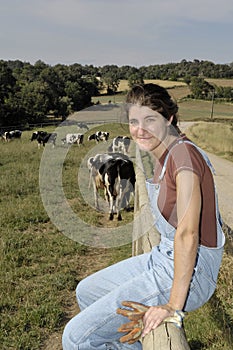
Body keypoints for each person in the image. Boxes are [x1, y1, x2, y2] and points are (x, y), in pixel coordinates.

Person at [62, 83, 225, 349]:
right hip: (162, 257)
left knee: (75, 338)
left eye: (151, 119)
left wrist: (173, 306)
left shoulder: (184, 157)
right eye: (134, 121)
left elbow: (187, 233)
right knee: (86, 291)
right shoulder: (164, 154)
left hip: (191, 271)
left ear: (169, 118)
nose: (140, 129)